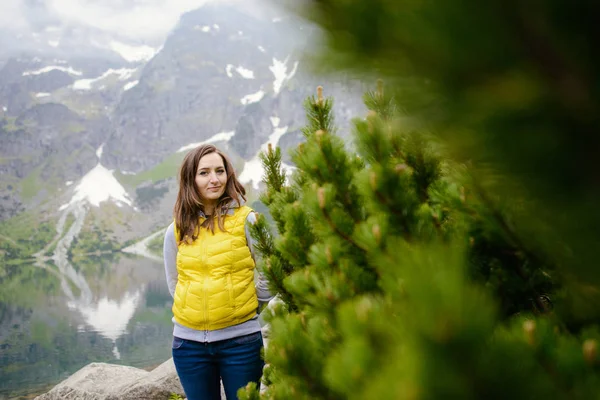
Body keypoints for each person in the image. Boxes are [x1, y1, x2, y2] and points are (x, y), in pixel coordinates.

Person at [163, 144, 273, 400]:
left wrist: (251, 307)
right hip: (188, 346)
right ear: (191, 179)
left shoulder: (248, 220)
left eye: (220, 171)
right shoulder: (175, 230)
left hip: (241, 343)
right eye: (204, 172)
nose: (214, 179)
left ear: (228, 175)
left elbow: (270, 271)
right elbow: (174, 282)